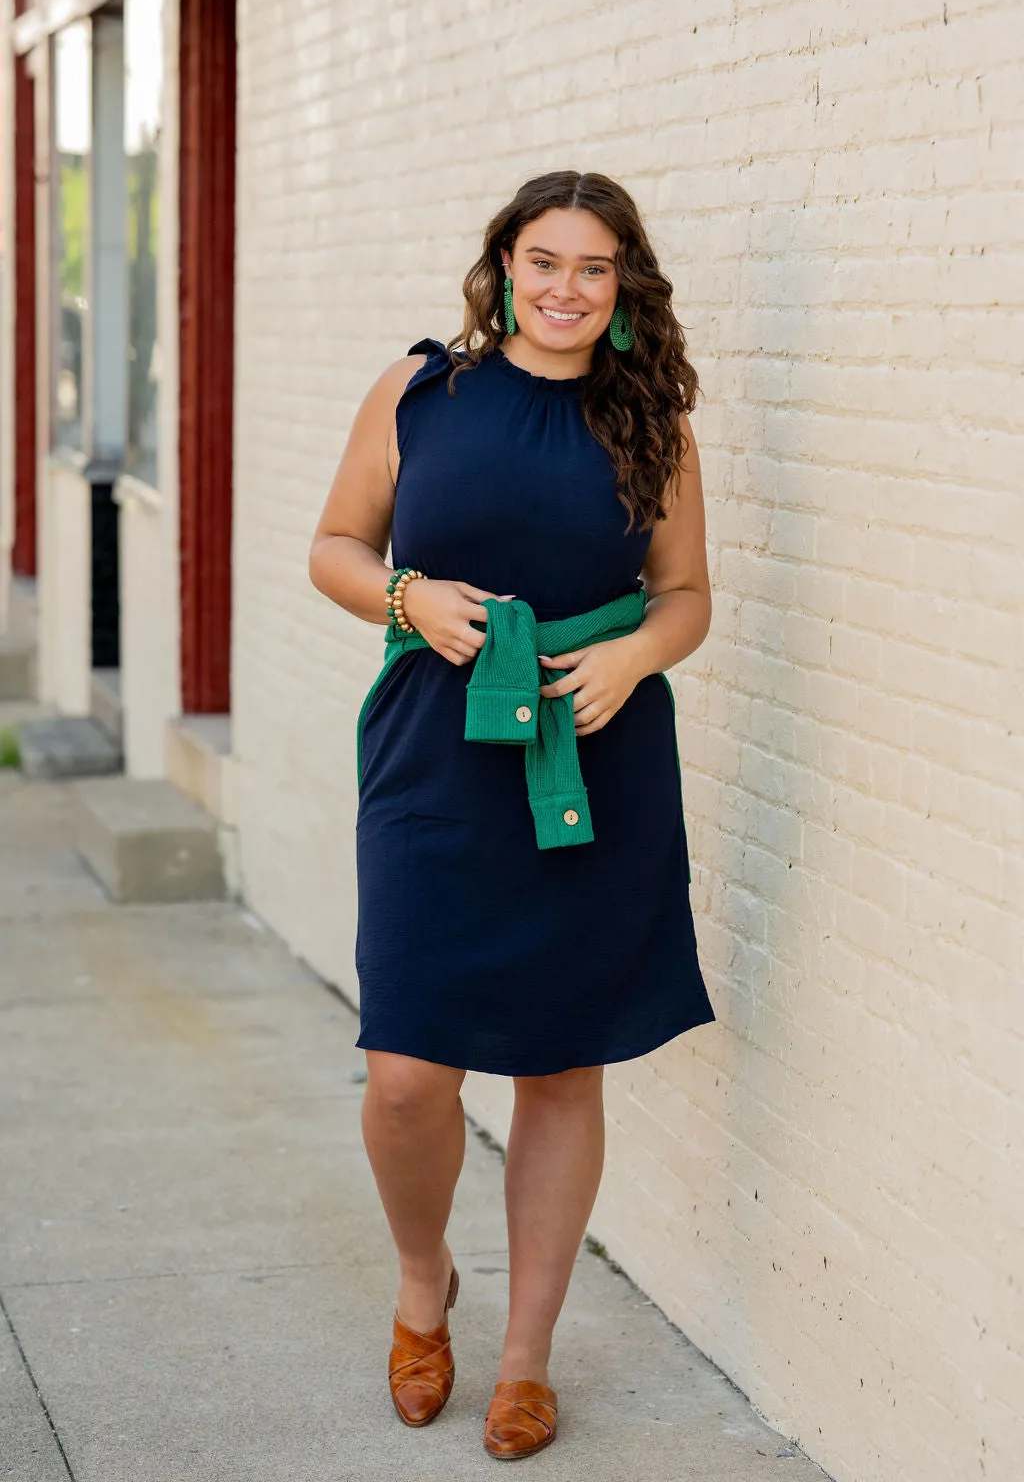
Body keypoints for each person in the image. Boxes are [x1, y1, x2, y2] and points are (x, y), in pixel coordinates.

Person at [308, 169, 717, 1462]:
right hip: (436, 758)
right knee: (408, 1073)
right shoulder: (420, 394)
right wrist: (405, 600)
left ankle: (526, 1361)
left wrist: (637, 659)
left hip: (594, 767)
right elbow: (333, 545)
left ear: (625, 288)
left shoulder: (654, 422)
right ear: (502, 267)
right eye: (544, 260)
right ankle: (424, 1282)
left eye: (594, 269)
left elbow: (689, 596)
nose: (565, 289)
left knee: (559, 1061)